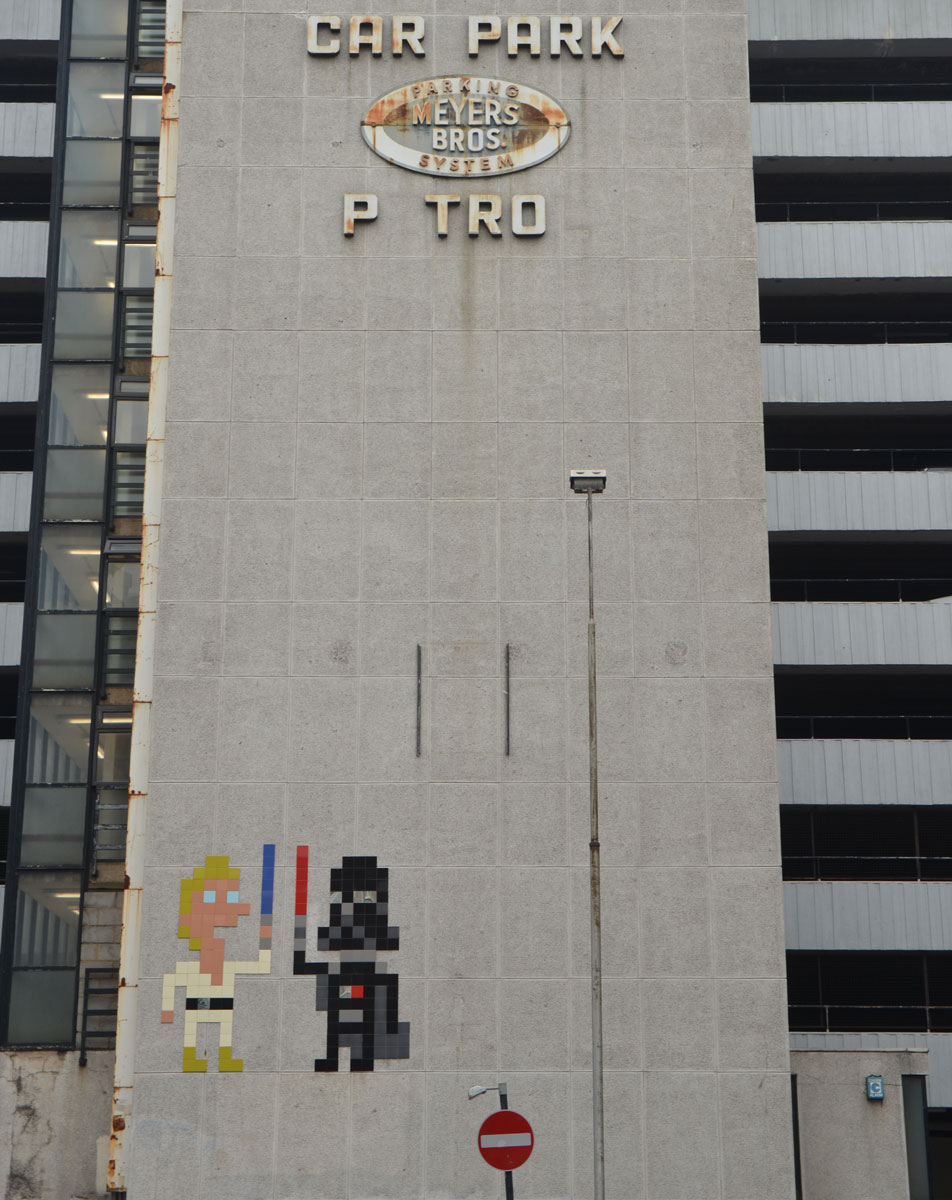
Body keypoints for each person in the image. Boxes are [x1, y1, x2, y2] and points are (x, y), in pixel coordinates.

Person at [161, 850, 273, 1072]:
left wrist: (266, 938)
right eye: (211, 897)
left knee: (224, 1028)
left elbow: (261, 966)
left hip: (222, 1004)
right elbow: (171, 980)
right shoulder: (194, 966)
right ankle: (192, 1056)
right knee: (195, 1027)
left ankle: (223, 1057)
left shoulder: (225, 966)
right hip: (197, 1004)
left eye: (231, 897)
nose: (227, 905)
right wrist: (167, 1010)